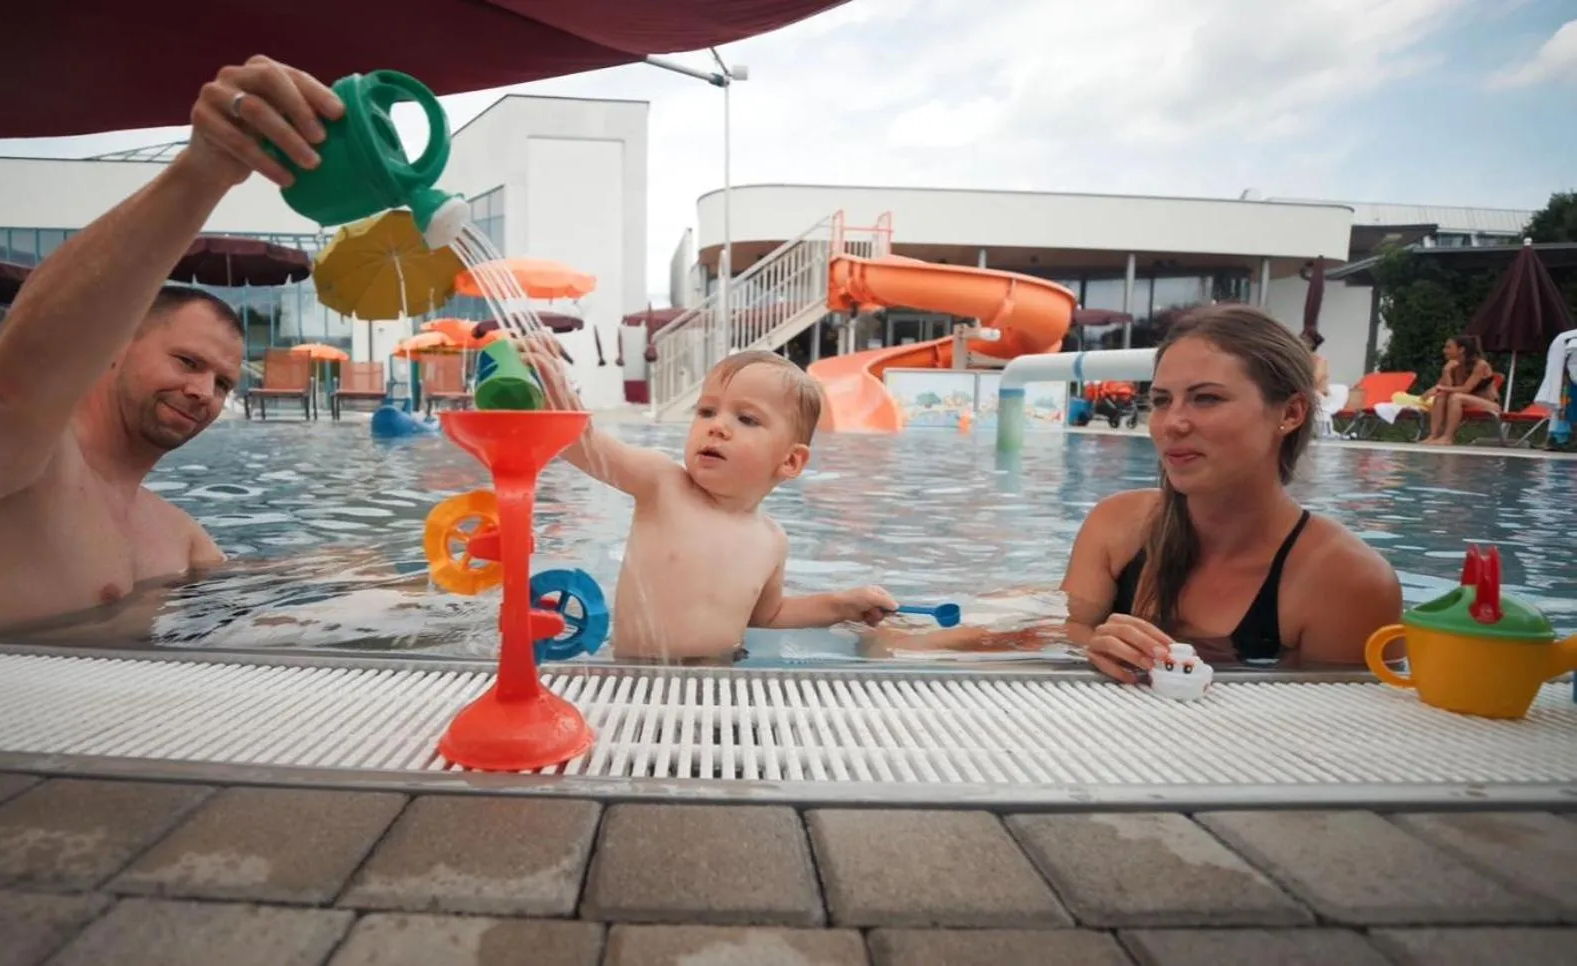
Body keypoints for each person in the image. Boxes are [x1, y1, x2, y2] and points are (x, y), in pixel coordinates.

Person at [0, 55, 344, 636]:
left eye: (222, 382)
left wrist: (362, 576)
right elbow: (21, 374)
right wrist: (205, 170)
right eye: (187, 361)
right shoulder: (10, 464)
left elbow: (255, 612)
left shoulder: (179, 537)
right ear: (114, 345)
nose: (203, 391)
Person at [865, 305, 1403, 681]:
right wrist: (1090, 645)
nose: (1173, 424)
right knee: (885, 642)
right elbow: (1068, 627)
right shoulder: (1119, 525)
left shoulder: (1346, 582)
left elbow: (1331, 732)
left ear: (1289, 413)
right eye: (1163, 400)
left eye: (1207, 399)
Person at [523, 339, 896, 663]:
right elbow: (584, 446)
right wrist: (554, 390)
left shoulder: (771, 539)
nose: (716, 425)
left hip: (722, 674)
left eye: (747, 419)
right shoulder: (662, 485)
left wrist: (841, 605)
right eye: (706, 411)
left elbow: (767, 616)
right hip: (636, 674)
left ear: (790, 460)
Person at [1421, 334, 1499, 446]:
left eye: (1448, 347)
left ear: (1461, 350)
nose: (1444, 351)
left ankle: (1448, 438)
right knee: (1441, 396)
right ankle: (1434, 435)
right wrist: (1446, 372)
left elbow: (1466, 389)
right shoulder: (1453, 365)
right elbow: (1445, 387)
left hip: (1489, 404)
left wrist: (1440, 388)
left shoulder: (1480, 365)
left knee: (1456, 397)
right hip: (1464, 402)